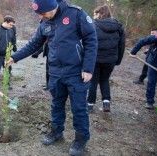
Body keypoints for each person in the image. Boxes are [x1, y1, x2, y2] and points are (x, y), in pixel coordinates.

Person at [7, 0, 97, 155]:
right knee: (56, 105)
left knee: (79, 108)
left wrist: (88, 68)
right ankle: (56, 132)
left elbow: (91, 40)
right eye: (39, 14)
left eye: (43, 13)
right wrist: (15, 57)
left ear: (52, 6)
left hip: (76, 72)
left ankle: (81, 139)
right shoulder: (45, 21)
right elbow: (34, 44)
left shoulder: (75, 14)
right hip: (55, 72)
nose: (41, 17)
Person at [87, 5, 125, 112]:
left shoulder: (93, 25)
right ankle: (106, 103)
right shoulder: (119, 27)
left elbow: (88, 44)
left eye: (95, 13)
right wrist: (118, 60)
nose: (94, 16)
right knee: (104, 79)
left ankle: (90, 105)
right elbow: (122, 45)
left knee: (93, 81)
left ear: (100, 13)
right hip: (110, 60)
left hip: (95, 59)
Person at [129, 28, 157, 109]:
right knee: (152, 81)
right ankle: (149, 102)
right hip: (155, 62)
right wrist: (133, 52)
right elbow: (142, 41)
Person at [0, 15, 17, 87]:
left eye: (12, 25)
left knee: (8, 69)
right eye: (10, 25)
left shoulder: (11, 30)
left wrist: (15, 48)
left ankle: (7, 84)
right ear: (5, 22)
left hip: (7, 54)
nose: (11, 26)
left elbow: (13, 40)